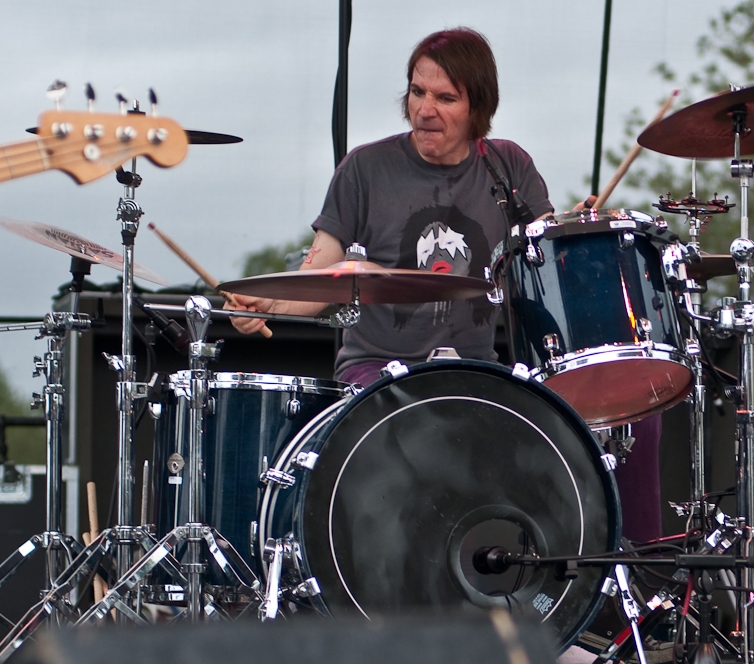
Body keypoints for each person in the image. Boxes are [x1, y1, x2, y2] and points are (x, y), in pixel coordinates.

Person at [227, 26, 662, 543]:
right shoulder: (366, 168)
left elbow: (541, 262)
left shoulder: (509, 166)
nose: (424, 110)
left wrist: (577, 231)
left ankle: (621, 582)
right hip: (378, 373)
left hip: (478, 374)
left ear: (477, 108)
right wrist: (267, 304)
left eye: (445, 98)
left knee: (628, 415)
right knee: (421, 434)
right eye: (417, 92)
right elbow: (321, 273)